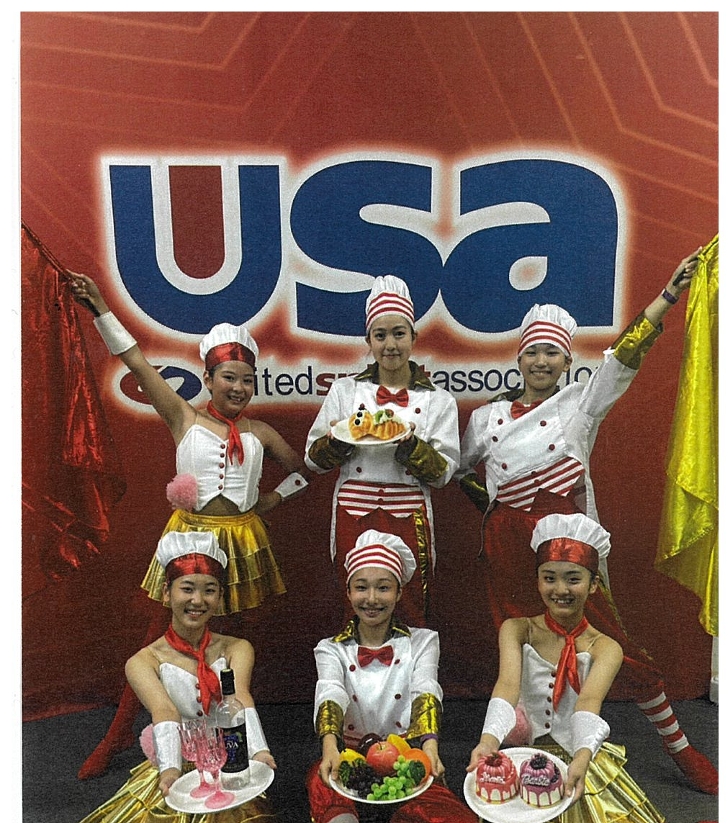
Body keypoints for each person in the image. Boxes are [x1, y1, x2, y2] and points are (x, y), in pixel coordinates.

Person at [456, 249, 717, 794]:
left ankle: (681, 748)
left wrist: (668, 295)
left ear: (565, 359)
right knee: (522, 650)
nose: (541, 362)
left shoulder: (581, 404)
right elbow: (457, 469)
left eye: (552, 353)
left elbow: (625, 356)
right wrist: (498, 508)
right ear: (519, 357)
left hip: (565, 544)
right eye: (533, 352)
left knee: (614, 643)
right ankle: (527, 763)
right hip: (506, 547)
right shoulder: (486, 417)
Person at [68, 272, 308, 777]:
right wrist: (101, 308)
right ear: (209, 378)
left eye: (247, 379)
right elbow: (135, 361)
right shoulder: (184, 418)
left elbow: (305, 471)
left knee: (231, 647)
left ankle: (231, 738)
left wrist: (268, 501)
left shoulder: (261, 431)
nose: (238, 388)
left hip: (244, 545)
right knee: (159, 640)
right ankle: (118, 736)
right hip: (189, 540)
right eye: (229, 378)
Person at [466, 513, 718, 823]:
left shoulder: (606, 647)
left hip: (584, 764)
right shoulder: (516, 630)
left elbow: (588, 704)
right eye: (549, 578)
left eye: (573, 579)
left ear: (594, 584)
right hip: (527, 766)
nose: (560, 589)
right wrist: (488, 741)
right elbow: (507, 688)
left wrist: (582, 758)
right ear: (537, 580)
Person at [292, 530, 481, 823]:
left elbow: (425, 689)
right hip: (352, 758)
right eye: (362, 586)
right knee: (321, 784)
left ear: (399, 592)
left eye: (383, 587)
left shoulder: (423, 641)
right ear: (348, 591)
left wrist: (430, 747)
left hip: (406, 757)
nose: (371, 598)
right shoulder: (330, 648)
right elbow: (330, 692)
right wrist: (330, 749)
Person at [74, 531, 284, 823]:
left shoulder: (237, 647)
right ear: (166, 593)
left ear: (219, 598)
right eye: (187, 588)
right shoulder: (143, 660)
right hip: (175, 771)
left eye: (209, 590)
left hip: (227, 769)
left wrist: (258, 753)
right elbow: (165, 711)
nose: (197, 600)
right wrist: (170, 772)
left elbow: (238, 699)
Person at [304, 275, 459, 626]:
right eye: (380, 335)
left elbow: (443, 474)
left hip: (408, 513)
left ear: (414, 337)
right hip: (353, 511)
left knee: (411, 601)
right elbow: (312, 460)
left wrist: (410, 447)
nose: (390, 344)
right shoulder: (344, 392)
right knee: (356, 601)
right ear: (369, 341)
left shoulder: (438, 400)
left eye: (399, 334)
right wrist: (339, 441)